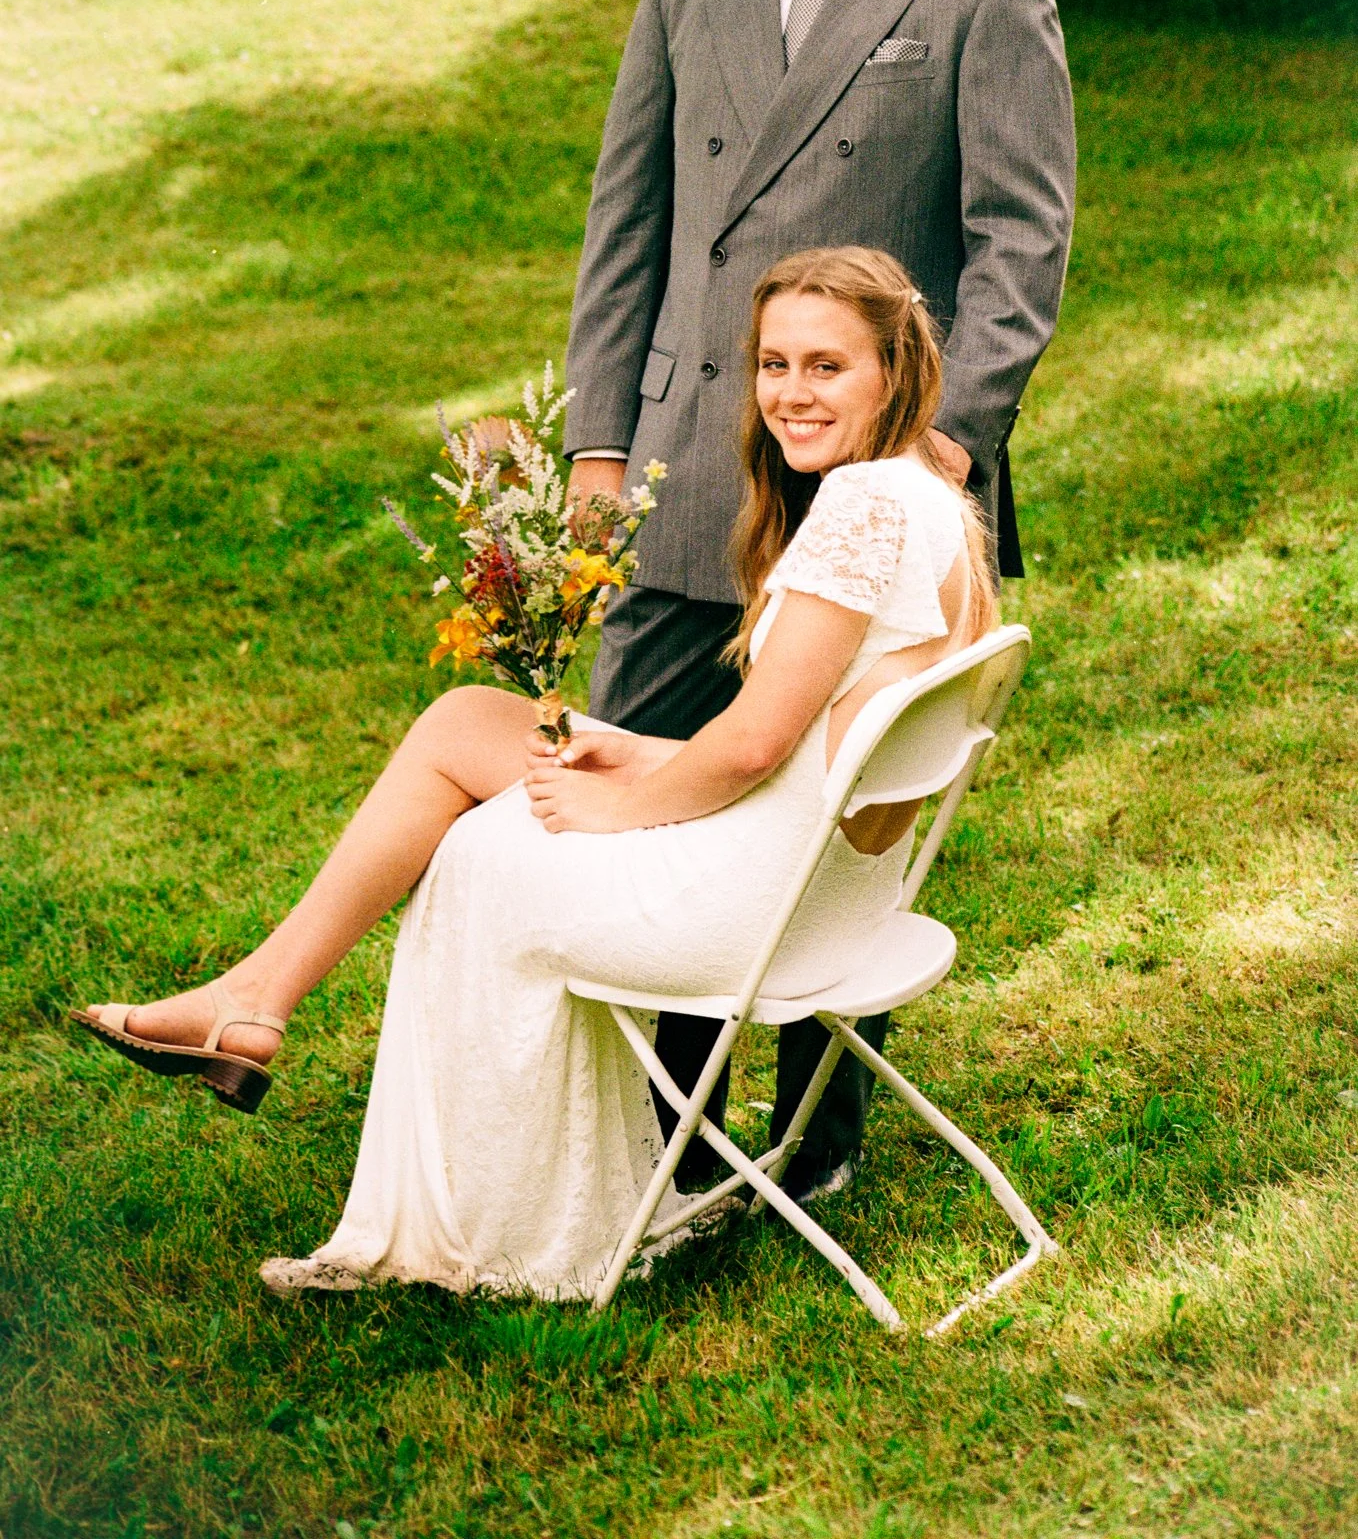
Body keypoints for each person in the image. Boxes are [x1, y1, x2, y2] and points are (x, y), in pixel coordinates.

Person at [76, 248, 995, 1300]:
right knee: (468, 721)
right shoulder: (924, 496)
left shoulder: (863, 506)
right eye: (773, 363)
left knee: (475, 847)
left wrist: (624, 804)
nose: (790, 392)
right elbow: (810, 744)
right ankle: (254, 997)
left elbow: (753, 747)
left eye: (826, 366)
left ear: (895, 368)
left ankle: (472, 1230)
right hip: (828, 889)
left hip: (752, 905)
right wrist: (640, 752)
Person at [563, 0, 1076, 1201]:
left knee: (841, 804)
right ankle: (663, 1127)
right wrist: (599, 444)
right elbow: (626, 232)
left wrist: (942, 448)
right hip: (687, 455)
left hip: (867, 468)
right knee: (644, 771)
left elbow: (1019, 243)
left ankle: (811, 1135)